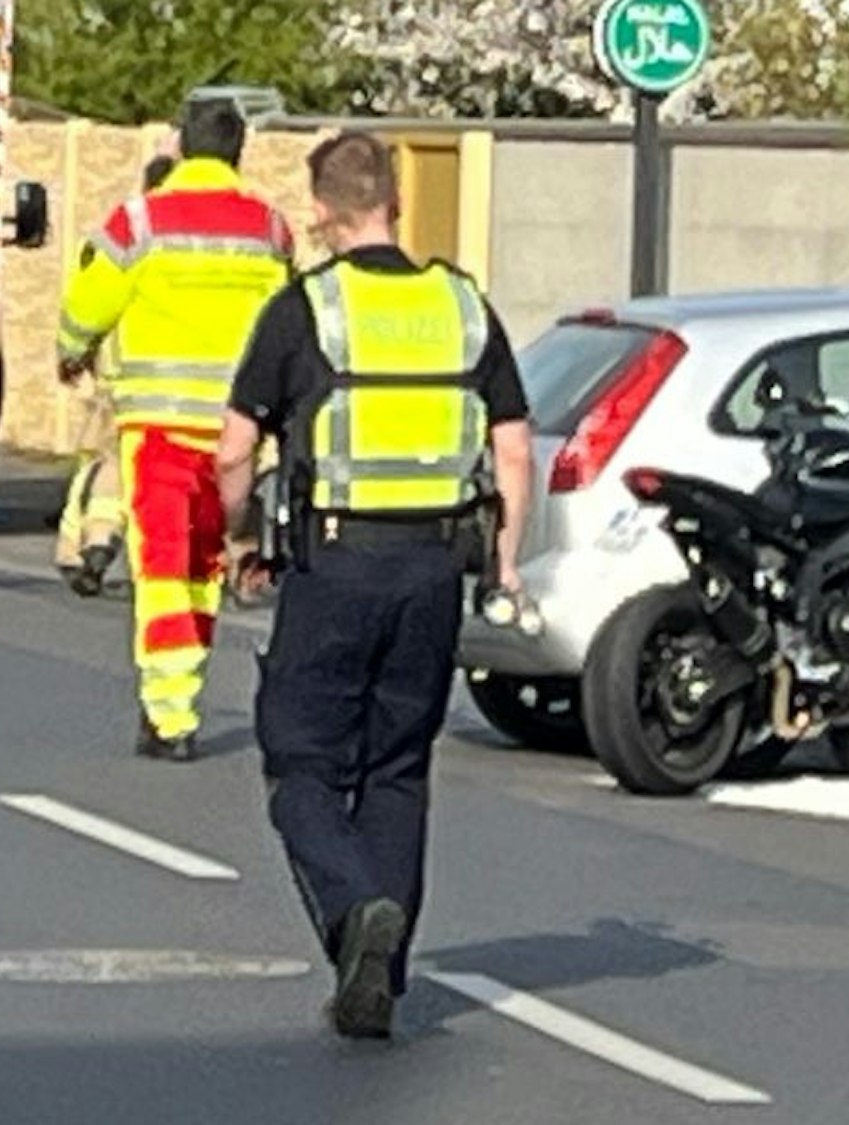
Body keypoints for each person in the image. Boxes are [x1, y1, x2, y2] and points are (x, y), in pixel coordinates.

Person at [215, 130, 534, 1039]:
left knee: (303, 762)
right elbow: (512, 445)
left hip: (334, 563)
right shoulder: (463, 304)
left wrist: (240, 538)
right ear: (394, 199)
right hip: (434, 571)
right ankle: (378, 981)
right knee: (397, 767)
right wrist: (503, 565)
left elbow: (233, 451)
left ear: (320, 212)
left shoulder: (306, 308)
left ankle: (358, 911)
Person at [55, 100, 295, 760]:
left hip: (158, 423)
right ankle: (178, 694)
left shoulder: (140, 221)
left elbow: (86, 303)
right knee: (204, 564)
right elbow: (285, 322)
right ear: (240, 151)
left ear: (183, 147)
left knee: (164, 562)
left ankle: (169, 714)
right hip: (234, 429)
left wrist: (70, 349)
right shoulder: (271, 229)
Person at [53, 147, 182, 596]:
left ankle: (86, 544)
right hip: (176, 386)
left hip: (121, 378)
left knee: (103, 465)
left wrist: (72, 353)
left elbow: (88, 304)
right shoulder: (180, 247)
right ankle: (102, 545)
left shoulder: (121, 238)